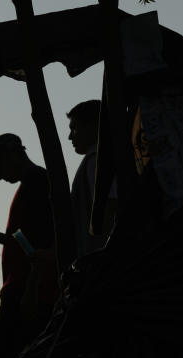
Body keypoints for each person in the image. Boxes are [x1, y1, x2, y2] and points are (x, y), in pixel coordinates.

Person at [0, 133, 59, 358]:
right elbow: (29, 241)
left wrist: (31, 291)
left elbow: (40, 246)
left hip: (26, 294)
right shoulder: (33, 184)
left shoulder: (36, 184)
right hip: (26, 292)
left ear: (11, 156)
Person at [66, 100, 117, 258]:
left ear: (94, 125)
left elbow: (111, 207)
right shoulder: (98, 159)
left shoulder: (97, 161)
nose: (70, 137)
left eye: (74, 128)